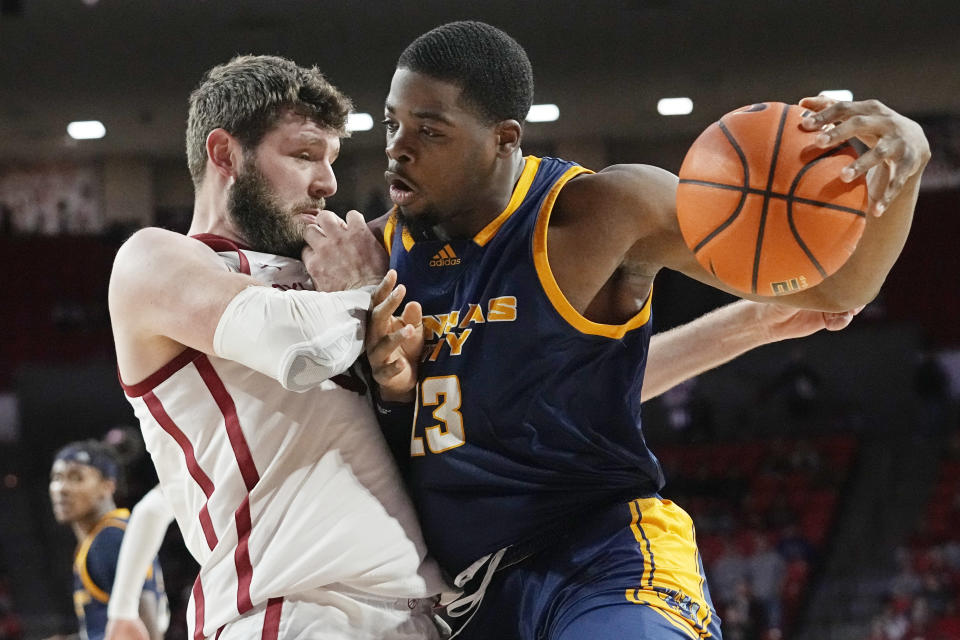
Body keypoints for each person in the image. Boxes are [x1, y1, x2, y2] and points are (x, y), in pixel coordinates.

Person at [366, 20, 929, 639]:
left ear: (503, 139)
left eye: (429, 130)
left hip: (601, 561)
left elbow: (840, 289)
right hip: (466, 597)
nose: (397, 147)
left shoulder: (601, 211)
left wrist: (903, 172)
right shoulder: (372, 254)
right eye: (392, 123)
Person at [107, 54, 448, 640]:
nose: (328, 182)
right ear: (224, 154)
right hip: (288, 613)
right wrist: (364, 288)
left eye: (332, 159)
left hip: (426, 610)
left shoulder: (327, 271)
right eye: (304, 154)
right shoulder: (156, 260)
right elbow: (296, 347)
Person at [47, 439, 167, 640]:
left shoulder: (109, 539)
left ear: (107, 486)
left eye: (76, 478)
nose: (62, 488)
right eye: (57, 477)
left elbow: (144, 628)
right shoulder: (107, 534)